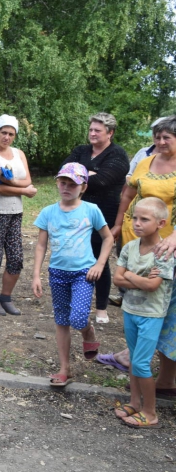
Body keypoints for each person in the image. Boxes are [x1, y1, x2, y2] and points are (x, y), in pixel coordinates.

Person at [98, 116, 176, 376]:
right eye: (157, 137)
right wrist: (119, 224)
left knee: (165, 307)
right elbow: (128, 194)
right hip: (136, 239)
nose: (161, 142)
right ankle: (131, 355)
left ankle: (163, 377)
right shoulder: (145, 161)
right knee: (135, 300)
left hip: (168, 247)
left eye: (167, 137)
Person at [31, 162, 114, 387]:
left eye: (73, 184)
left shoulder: (91, 210)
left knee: (77, 317)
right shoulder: (48, 212)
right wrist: (36, 275)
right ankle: (64, 369)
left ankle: (88, 333)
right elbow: (41, 246)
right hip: (57, 272)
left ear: (83, 187)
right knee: (61, 320)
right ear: (57, 183)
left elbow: (108, 238)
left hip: (83, 273)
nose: (66, 188)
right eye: (63, 182)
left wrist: (99, 264)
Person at [112, 197, 174, 428]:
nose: (137, 223)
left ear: (160, 223)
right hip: (130, 310)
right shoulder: (129, 247)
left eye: (144, 219)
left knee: (140, 363)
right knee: (134, 362)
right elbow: (118, 278)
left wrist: (129, 276)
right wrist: (134, 277)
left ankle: (150, 412)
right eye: (134, 218)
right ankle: (135, 403)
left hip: (151, 315)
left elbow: (152, 286)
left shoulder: (164, 252)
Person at [62, 113, 129, 323]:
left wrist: (81, 174)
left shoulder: (117, 154)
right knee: (74, 254)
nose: (92, 133)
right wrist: (89, 174)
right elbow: (64, 172)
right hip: (76, 211)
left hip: (104, 213)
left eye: (97, 130)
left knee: (100, 259)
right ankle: (75, 300)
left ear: (110, 133)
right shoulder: (81, 150)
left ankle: (101, 308)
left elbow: (101, 181)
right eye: (91, 129)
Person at [0, 114, 37, 316]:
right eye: (4, 132)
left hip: (14, 211)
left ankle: (6, 297)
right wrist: (23, 190)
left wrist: (9, 182)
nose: (7, 137)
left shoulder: (19, 154)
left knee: (16, 257)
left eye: (11, 134)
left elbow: (27, 179)